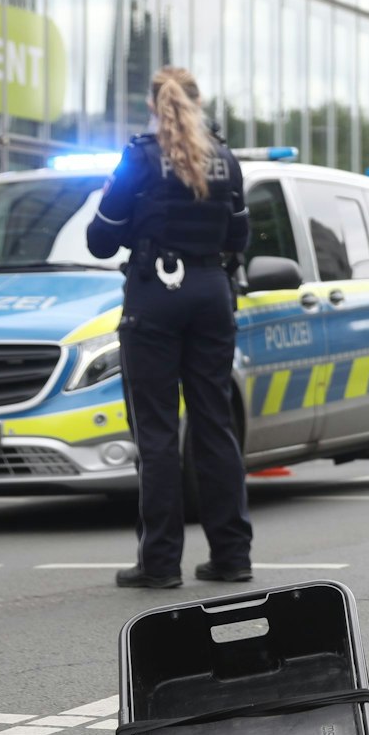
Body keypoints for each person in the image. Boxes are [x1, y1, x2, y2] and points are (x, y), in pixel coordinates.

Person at [87, 67, 253, 589]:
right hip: (210, 292)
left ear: (152, 105)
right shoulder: (224, 159)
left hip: (154, 295)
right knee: (214, 426)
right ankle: (231, 556)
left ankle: (159, 563)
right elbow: (239, 235)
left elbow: (100, 239)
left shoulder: (137, 158)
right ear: (198, 104)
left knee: (157, 431)